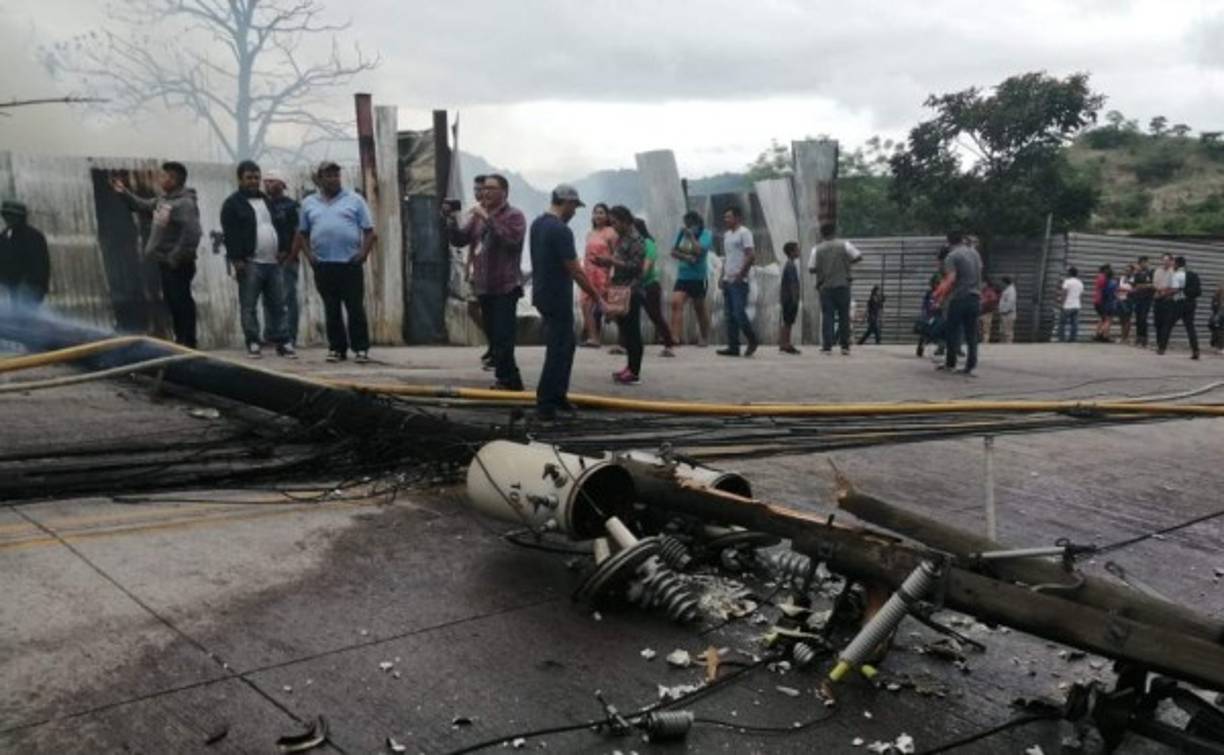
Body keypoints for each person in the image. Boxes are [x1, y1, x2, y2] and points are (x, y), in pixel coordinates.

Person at [446, 174, 527, 388]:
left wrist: (487, 218)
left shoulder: (514, 215)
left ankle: (508, 379)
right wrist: (450, 219)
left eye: (491, 188)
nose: (485, 192)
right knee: (494, 336)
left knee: (503, 335)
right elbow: (460, 239)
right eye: (484, 189)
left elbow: (511, 240)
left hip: (505, 286)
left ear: (504, 192)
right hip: (484, 285)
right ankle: (509, 378)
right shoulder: (477, 217)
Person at [529, 185, 603, 420]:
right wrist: (597, 296)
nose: (574, 212)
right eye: (574, 207)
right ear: (566, 202)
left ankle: (558, 395)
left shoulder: (538, 224)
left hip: (542, 293)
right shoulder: (561, 230)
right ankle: (546, 404)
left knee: (566, 344)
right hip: (556, 296)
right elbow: (576, 271)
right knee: (558, 349)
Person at [110, 162, 202, 348]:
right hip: (166, 261)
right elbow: (142, 206)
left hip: (178, 263)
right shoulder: (164, 200)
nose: (160, 179)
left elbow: (192, 233)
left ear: (174, 180)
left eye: (164, 176)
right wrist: (123, 192)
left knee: (181, 300)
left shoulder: (184, 203)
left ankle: (188, 340)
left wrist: (174, 257)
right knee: (173, 301)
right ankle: (181, 339)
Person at [293, 161, 377, 363]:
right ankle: (337, 349)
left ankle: (361, 349)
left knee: (355, 307)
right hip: (323, 264)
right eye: (328, 175)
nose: (333, 179)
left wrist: (363, 254)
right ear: (319, 179)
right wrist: (310, 256)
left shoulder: (354, 200)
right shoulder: (309, 203)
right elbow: (302, 233)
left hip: (349, 263)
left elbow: (370, 232)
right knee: (331, 308)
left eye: (336, 175)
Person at [221, 160, 292, 359]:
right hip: (250, 263)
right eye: (249, 178)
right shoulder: (232, 204)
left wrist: (284, 249)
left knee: (278, 304)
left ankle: (283, 342)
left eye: (256, 178)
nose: (254, 181)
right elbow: (230, 234)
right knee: (249, 305)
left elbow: (280, 226)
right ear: (240, 179)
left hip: (273, 263)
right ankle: (253, 341)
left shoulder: (266, 200)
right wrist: (236, 259)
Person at [596, 205, 647, 384]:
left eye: (615, 222)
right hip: (621, 289)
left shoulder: (636, 239)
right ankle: (629, 367)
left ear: (625, 221)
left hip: (632, 290)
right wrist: (606, 263)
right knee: (625, 329)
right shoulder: (622, 237)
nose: (613, 226)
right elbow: (621, 262)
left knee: (633, 332)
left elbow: (636, 266)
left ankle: (634, 371)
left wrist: (611, 261)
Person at [809, 222, 863, 355]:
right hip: (843, 285)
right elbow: (859, 256)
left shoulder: (817, 249)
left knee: (828, 316)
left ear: (822, 234)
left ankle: (827, 347)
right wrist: (845, 264)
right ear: (835, 231)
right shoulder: (845, 245)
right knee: (844, 316)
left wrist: (824, 268)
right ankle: (845, 347)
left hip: (826, 287)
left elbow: (811, 268)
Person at [263, 171, 300, 350]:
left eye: (272, 181)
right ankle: (271, 335)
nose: (268, 184)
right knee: (269, 298)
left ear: (282, 184)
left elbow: (298, 232)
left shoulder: (291, 206)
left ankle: (289, 335)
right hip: (266, 258)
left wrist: (290, 254)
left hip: (286, 259)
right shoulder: (263, 205)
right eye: (266, 181)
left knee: (287, 297)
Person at [716, 206, 759, 357]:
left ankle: (752, 340)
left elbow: (751, 255)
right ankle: (733, 347)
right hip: (728, 278)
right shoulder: (727, 234)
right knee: (729, 315)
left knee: (739, 312)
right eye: (725, 217)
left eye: (728, 217)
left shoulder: (745, 232)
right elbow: (727, 257)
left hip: (739, 280)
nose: (725, 219)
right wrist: (721, 276)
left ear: (737, 218)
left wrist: (742, 274)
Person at [938, 230, 982, 375]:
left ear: (948, 241)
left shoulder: (952, 256)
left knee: (952, 331)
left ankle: (950, 364)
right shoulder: (975, 253)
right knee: (971, 334)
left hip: (959, 298)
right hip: (975, 297)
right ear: (962, 239)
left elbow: (951, 279)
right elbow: (980, 271)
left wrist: (940, 295)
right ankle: (970, 365)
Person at [634, 217, 677, 357]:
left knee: (655, 315)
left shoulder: (648, 243)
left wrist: (639, 277)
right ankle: (626, 344)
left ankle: (669, 344)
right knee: (630, 315)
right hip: (636, 284)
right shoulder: (634, 243)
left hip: (649, 285)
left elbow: (648, 264)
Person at [462, 174, 492, 368]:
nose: (477, 193)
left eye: (480, 189)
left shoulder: (496, 213)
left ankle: (497, 347)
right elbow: (470, 239)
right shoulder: (475, 215)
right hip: (477, 268)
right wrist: (468, 263)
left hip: (494, 271)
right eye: (474, 190)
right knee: (473, 308)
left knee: (491, 310)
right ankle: (493, 341)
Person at [670, 211, 712, 347]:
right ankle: (675, 337)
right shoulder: (682, 233)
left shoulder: (706, 234)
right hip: (683, 276)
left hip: (698, 277)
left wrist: (691, 237)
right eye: (686, 224)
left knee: (699, 308)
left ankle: (704, 337)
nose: (688, 227)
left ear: (698, 224)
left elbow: (699, 251)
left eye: (690, 224)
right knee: (676, 303)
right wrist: (686, 257)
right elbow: (673, 251)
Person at [0, 200, 51, 308]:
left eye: (12, 215)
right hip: (11, 290)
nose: (7, 219)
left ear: (20, 217)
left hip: (29, 290)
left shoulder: (34, 237)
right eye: (5, 215)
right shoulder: (4, 237)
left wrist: (31, 286)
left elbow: (40, 265)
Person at [581, 203, 617, 348]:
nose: (598, 216)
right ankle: (593, 338)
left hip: (603, 274)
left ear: (607, 216)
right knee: (585, 305)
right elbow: (586, 254)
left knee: (609, 309)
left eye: (601, 213)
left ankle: (624, 338)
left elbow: (616, 255)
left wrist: (613, 274)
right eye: (595, 213)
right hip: (588, 273)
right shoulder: (590, 233)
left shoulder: (611, 232)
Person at [1163, 256, 1201, 359]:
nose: (1172, 265)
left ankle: (1161, 348)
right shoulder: (1192, 274)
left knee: (1168, 325)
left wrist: (1165, 294)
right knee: (1190, 328)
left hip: (1179, 303)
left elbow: (1175, 290)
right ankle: (1196, 350)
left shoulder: (1177, 275)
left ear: (1177, 264)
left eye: (1174, 263)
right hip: (1191, 303)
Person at [778, 241, 801, 354]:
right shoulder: (791, 266)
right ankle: (786, 344)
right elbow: (793, 284)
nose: (799, 251)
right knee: (788, 322)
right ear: (791, 252)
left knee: (787, 321)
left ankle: (783, 343)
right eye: (797, 250)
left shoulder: (789, 264)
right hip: (790, 299)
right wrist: (795, 299)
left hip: (786, 298)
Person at [1152, 254, 1176, 354]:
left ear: (1171, 261)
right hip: (1158, 298)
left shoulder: (1174, 272)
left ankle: (1162, 347)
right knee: (1158, 323)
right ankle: (1159, 343)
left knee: (1166, 324)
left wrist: (1164, 292)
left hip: (1168, 300)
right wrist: (1160, 290)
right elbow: (1155, 283)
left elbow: (1173, 286)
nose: (1165, 262)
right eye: (1163, 260)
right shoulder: (1158, 271)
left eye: (1167, 260)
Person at [915, 273, 942, 357]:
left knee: (941, 332)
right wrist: (925, 313)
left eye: (938, 283)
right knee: (924, 332)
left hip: (938, 315)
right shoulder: (929, 293)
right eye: (935, 283)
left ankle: (941, 348)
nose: (936, 285)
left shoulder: (942, 293)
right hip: (929, 315)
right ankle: (921, 347)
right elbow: (924, 305)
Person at [1130, 256, 1155, 348]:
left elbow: (1154, 284)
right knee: (1138, 319)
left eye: (1146, 262)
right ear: (1140, 263)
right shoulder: (1137, 274)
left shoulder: (1151, 272)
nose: (1145, 264)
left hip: (1147, 299)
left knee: (1143, 318)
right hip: (1137, 299)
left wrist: (1143, 286)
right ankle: (1138, 338)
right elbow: (1132, 284)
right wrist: (1135, 273)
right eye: (1143, 262)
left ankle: (1144, 339)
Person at [1057, 267, 1083, 343]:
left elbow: (1064, 293)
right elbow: (1080, 295)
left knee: (1062, 323)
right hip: (1076, 306)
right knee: (1074, 324)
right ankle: (1072, 339)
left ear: (1069, 273)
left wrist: (1061, 303)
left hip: (1067, 306)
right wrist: (1079, 304)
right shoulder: (1080, 283)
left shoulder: (1067, 282)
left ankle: (1062, 339)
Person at [1092, 264, 1116, 343]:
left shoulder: (1100, 278)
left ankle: (1099, 334)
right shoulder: (1110, 281)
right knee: (1107, 320)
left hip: (1100, 301)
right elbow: (1110, 292)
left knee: (1102, 319)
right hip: (1107, 302)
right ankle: (1102, 335)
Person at [1116, 265, 1135, 345]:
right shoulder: (1121, 278)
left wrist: (1123, 290)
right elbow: (1116, 288)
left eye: (1128, 270)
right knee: (1122, 320)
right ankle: (1122, 337)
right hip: (1120, 300)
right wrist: (1117, 295)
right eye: (1125, 270)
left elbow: (1134, 290)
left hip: (1128, 301)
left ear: (1132, 271)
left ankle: (1126, 338)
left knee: (1127, 319)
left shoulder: (1134, 279)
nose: (1126, 271)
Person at [978, 278, 999, 343]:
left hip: (987, 313)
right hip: (980, 313)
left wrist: (984, 303)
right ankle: (980, 341)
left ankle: (985, 343)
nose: (981, 285)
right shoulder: (980, 292)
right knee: (980, 329)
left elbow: (993, 301)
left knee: (986, 329)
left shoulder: (990, 291)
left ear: (986, 284)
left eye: (983, 283)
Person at [998, 276, 1017, 343]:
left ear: (1005, 282)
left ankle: (1008, 347)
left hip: (1008, 314)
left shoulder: (1011, 290)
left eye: (1001, 282)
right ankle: (1003, 346)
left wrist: (1004, 311)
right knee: (1002, 332)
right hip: (1004, 314)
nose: (1000, 284)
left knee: (1008, 332)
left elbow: (1010, 302)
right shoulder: (1007, 289)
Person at [1209, 283, 1224, 354]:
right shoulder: (1217, 294)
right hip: (1219, 315)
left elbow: (1213, 305)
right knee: (1219, 330)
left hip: (1219, 315)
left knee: (1218, 330)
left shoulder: (1217, 294)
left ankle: (1218, 346)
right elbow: (1213, 305)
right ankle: (1219, 346)